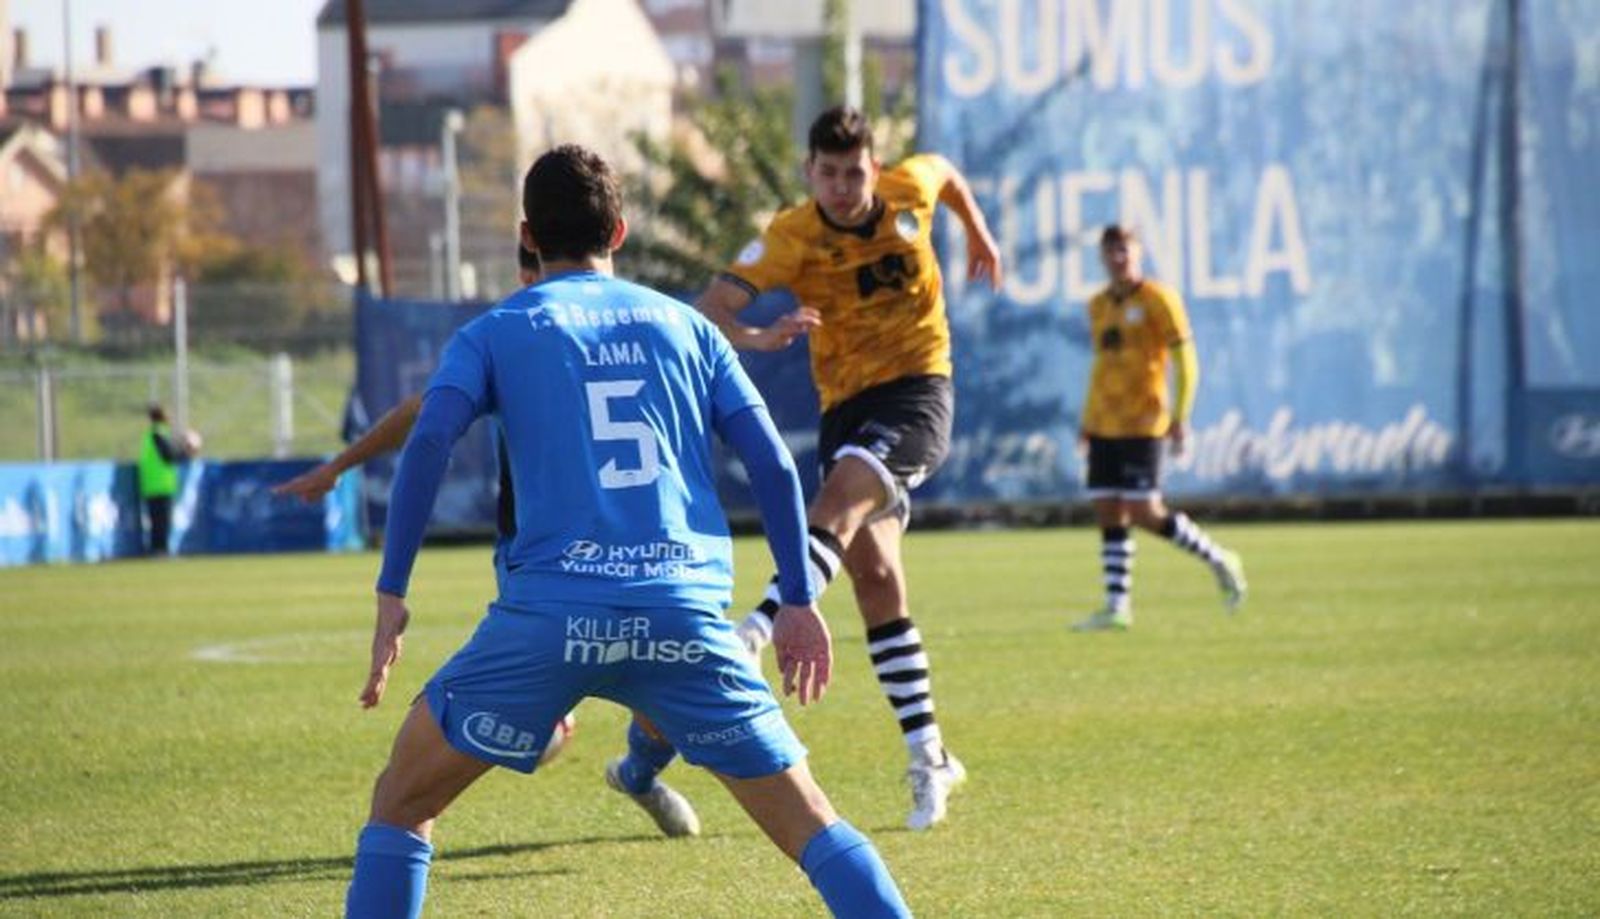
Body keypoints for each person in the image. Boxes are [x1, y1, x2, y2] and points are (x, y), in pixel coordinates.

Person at [342, 144, 912, 918]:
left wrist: (392, 591)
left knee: (402, 803)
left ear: (527, 236)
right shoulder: (689, 327)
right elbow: (775, 464)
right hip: (682, 622)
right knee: (813, 822)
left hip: (549, 623)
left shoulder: (495, 330)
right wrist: (799, 600)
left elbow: (430, 441)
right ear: (619, 231)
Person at [612, 104, 1002, 832]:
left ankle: (755, 632)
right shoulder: (792, 236)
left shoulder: (910, 189)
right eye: (829, 174)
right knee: (876, 579)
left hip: (919, 390)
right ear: (809, 173)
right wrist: (759, 336)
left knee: (837, 504)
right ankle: (932, 754)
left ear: (876, 168)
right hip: (845, 407)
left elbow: (946, 173)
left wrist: (977, 232)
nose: (843, 188)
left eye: (855, 173)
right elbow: (710, 309)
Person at [276, 246, 692, 829]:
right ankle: (419, 805)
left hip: (633, 555)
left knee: (663, 709)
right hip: (539, 568)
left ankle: (637, 775)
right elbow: (422, 415)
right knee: (496, 740)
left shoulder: (633, 332)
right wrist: (340, 467)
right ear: (528, 272)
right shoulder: (514, 340)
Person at [1071, 224, 1247, 632]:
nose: (1118, 258)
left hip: (1145, 422)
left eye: (1125, 250)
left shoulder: (1159, 299)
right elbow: (1102, 366)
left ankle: (1219, 559)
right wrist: (1087, 420)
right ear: (1102, 257)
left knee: (1143, 511)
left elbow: (1186, 361)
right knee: (1107, 508)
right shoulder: (1097, 305)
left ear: (1138, 253)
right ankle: (1117, 607)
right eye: (1111, 251)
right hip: (1104, 423)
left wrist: (1180, 416)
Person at [138, 403, 195, 556]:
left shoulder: (150, 435)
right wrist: (187, 452)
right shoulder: (159, 434)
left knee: (156, 521)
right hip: (160, 485)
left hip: (151, 484)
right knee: (161, 522)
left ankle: (158, 550)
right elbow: (169, 456)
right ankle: (160, 550)